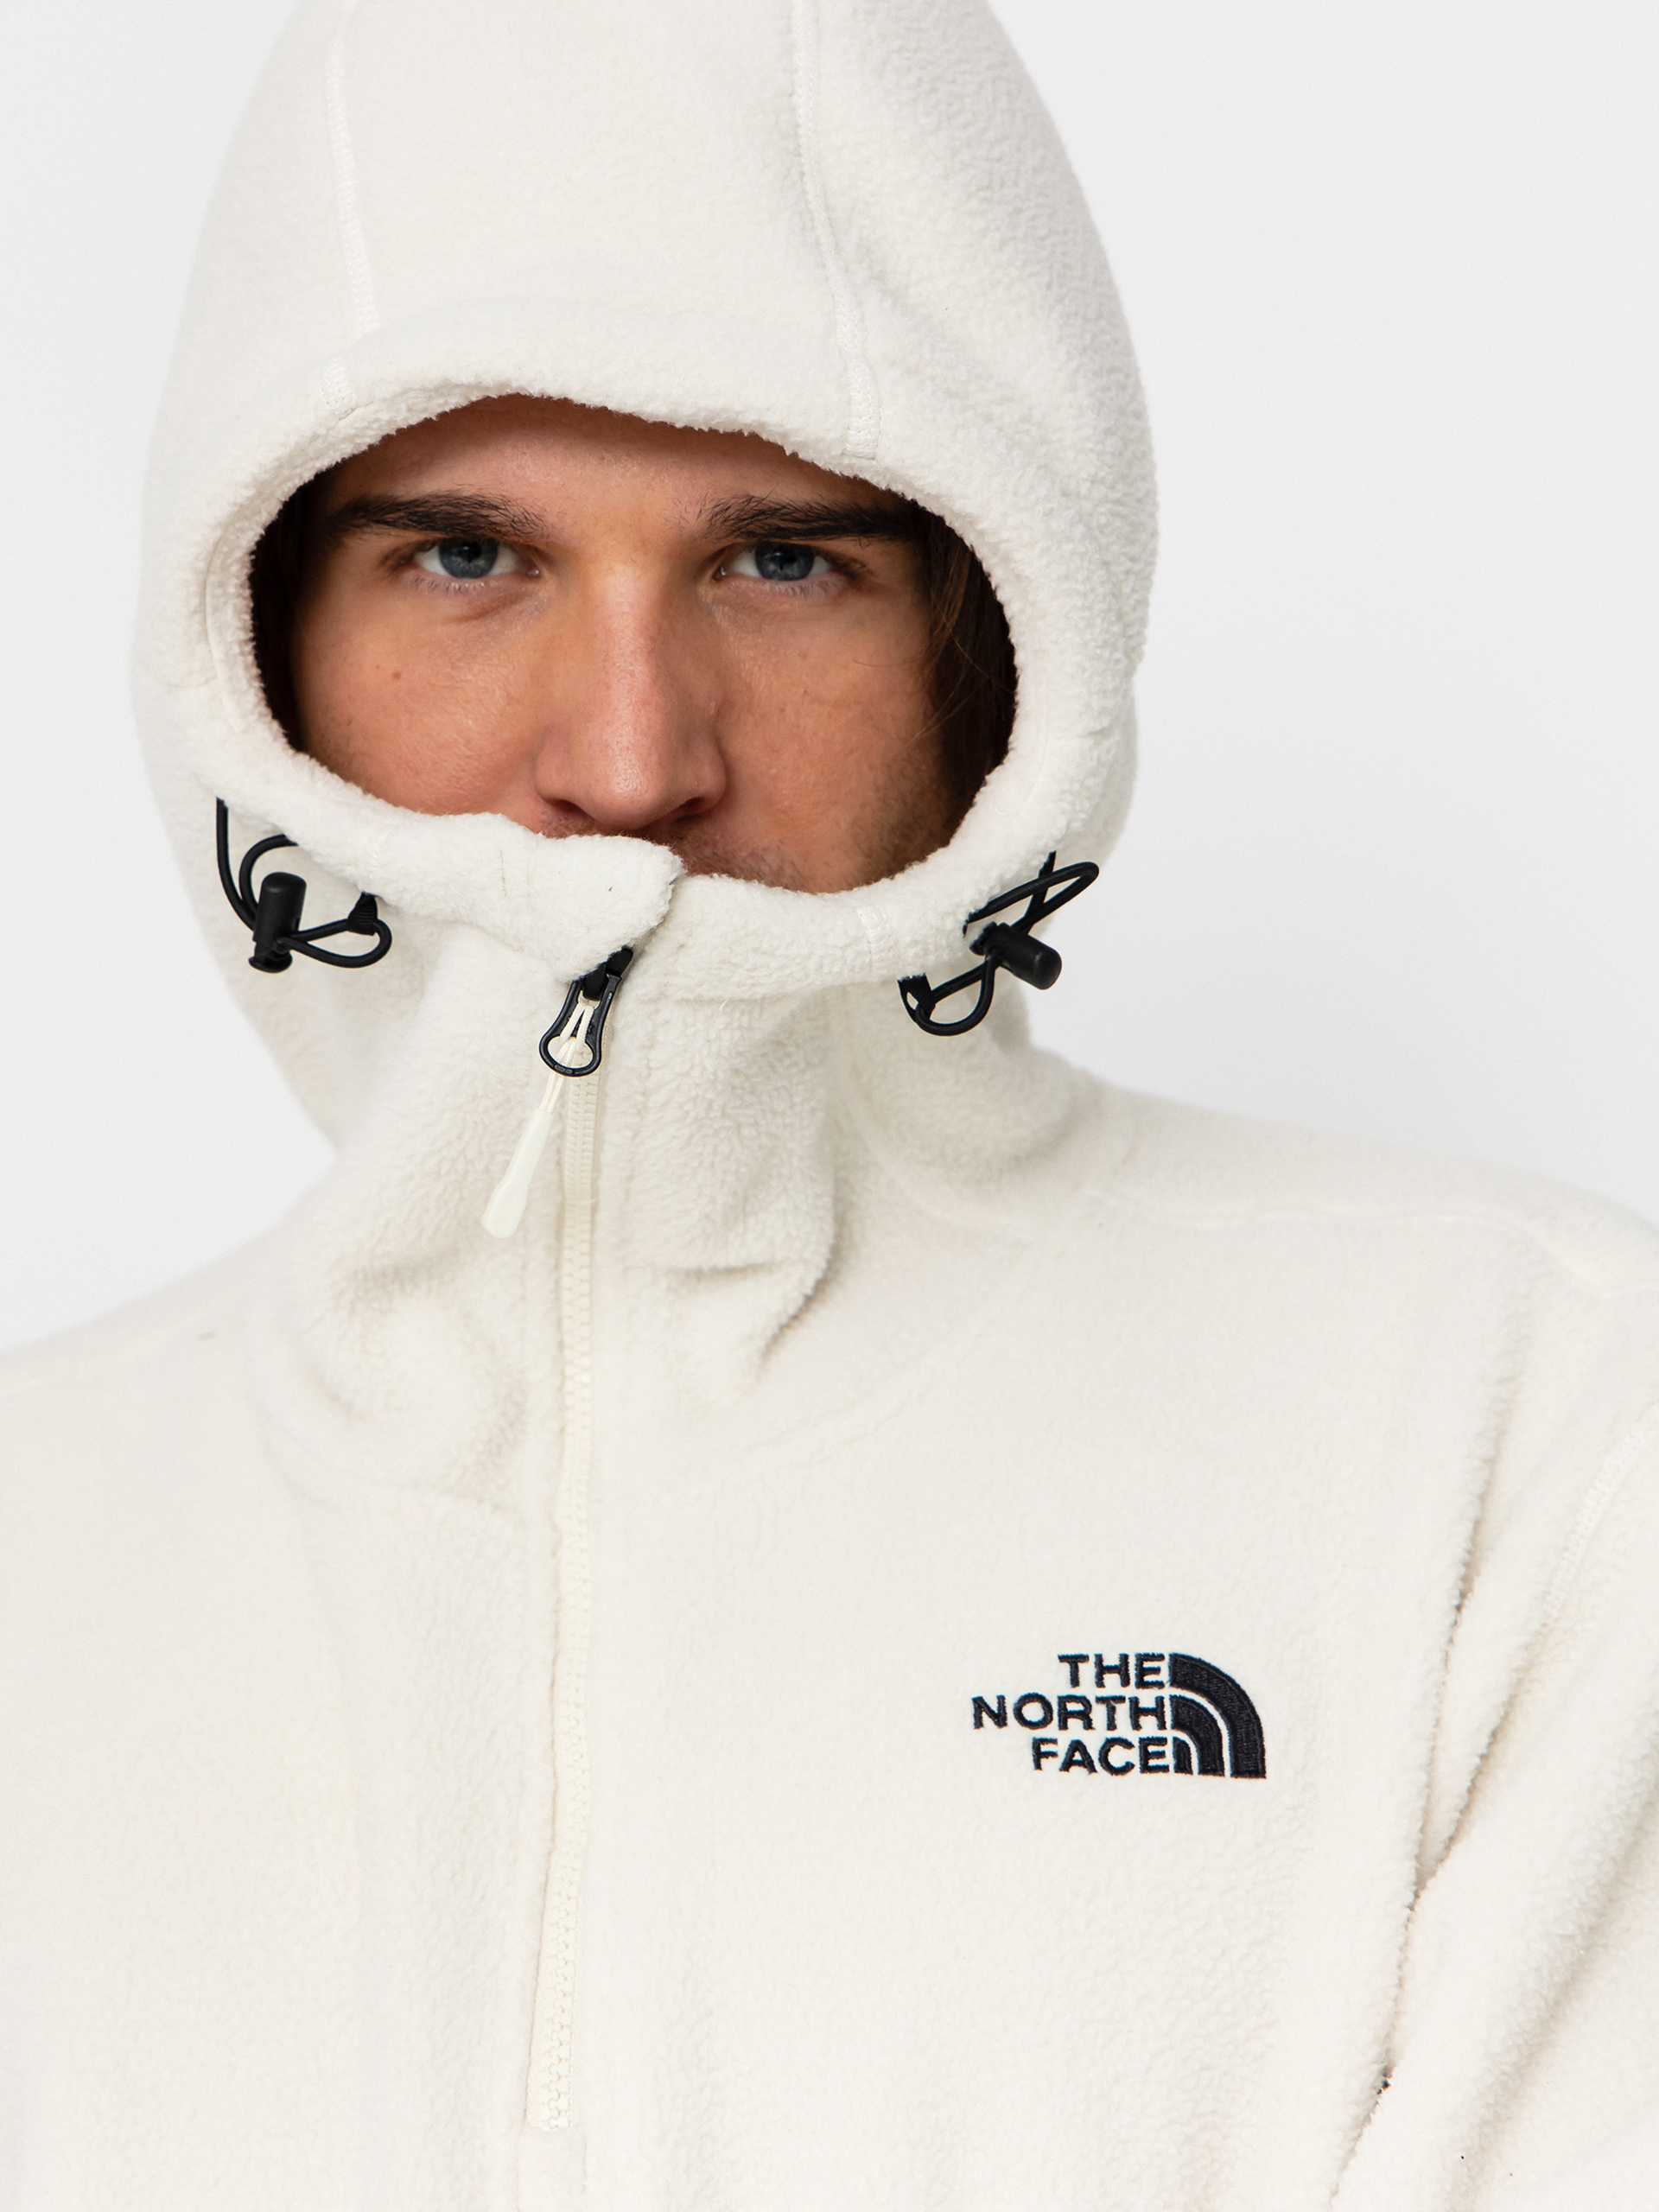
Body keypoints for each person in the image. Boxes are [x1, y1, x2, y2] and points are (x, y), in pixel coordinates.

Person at [2, 3, 1655, 2209]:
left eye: (783, 561)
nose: (626, 757)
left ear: (995, 651)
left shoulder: (1522, 1427)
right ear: (251, 646)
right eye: (466, 557)